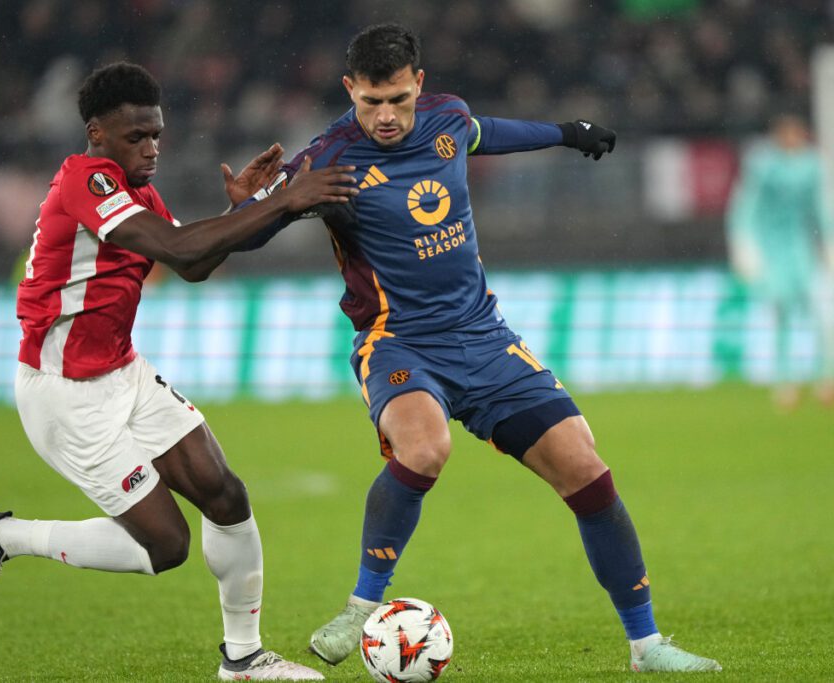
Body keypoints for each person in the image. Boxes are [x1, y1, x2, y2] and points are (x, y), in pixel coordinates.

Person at [238, 24, 721, 674]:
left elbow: (489, 131)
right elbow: (253, 226)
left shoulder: (447, 119)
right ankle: (361, 606)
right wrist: (246, 209)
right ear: (351, 89)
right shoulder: (329, 158)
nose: (385, 116)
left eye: (398, 100)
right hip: (397, 340)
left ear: (419, 85)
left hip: (484, 337)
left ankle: (647, 644)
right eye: (371, 101)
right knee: (426, 447)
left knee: (586, 469)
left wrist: (567, 132)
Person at [0, 61, 358, 681]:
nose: (151, 148)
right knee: (166, 546)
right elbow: (182, 247)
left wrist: (259, 208)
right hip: (65, 394)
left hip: (122, 371)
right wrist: (286, 199)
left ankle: (242, 660)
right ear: (96, 134)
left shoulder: (137, 191)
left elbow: (193, 265)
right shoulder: (86, 181)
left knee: (225, 494)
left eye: (156, 135)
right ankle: (3, 536)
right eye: (136, 137)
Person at [726, 113, 834, 409]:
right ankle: (784, 382)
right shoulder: (763, 165)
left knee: (819, 310)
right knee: (782, 311)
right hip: (770, 247)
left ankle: (826, 377)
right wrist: (743, 245)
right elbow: (746, 205)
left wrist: (828, 243)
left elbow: (819, 208)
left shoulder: (812, 165)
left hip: (800, 246)